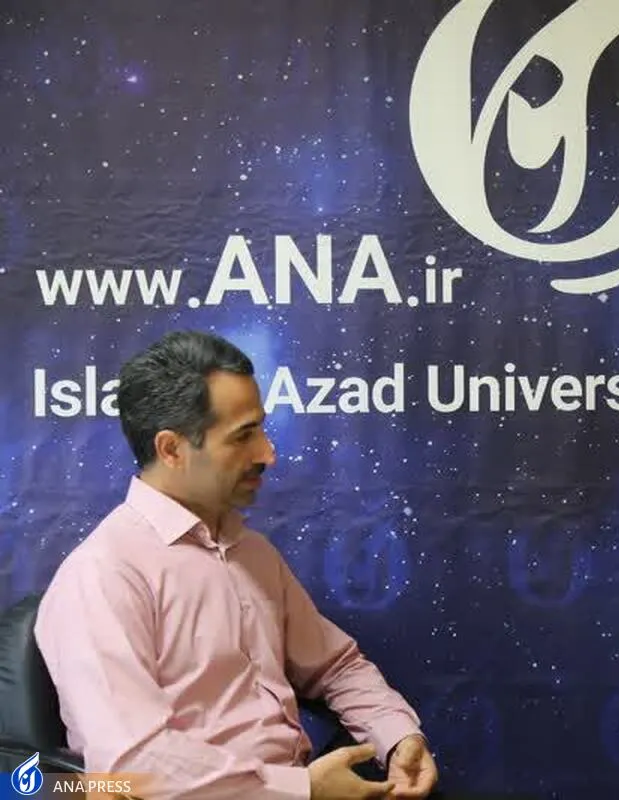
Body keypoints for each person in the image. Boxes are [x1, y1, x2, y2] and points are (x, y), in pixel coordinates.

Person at [35, 331, 438, 800]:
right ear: (171, 449)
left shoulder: (252, 552)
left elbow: (336, 665)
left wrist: (396, 735)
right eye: (244, 436)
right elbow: (133, 762)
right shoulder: (103, 575)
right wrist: (301, 789)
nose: (268, 454)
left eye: (261, 430)